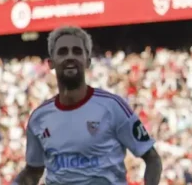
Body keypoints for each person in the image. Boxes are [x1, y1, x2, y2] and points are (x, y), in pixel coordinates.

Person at [13, 26, 163, 185]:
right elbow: (33, 172)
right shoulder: (39, 118)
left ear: (88, 61)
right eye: (63, 52)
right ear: (50, 63)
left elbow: (152, 159)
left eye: (77, 51)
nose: (70, 57)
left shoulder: (113, 107)